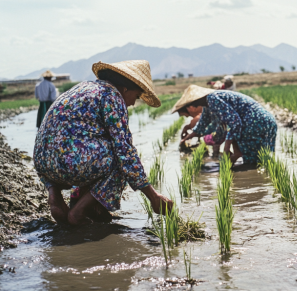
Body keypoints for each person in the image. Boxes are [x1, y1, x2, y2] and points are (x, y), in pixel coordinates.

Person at [34, 60, 171, 226]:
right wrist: (153, 196)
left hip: (43, 161)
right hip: (70, 164)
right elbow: (125, 152)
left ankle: (55, 197)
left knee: (93, 147)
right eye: (135, 96)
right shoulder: (112, 96)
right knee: (121, 159)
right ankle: (79, 212)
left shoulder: (82, 87)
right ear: (125, 88)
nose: (133, 103)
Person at [174, 85, 277, 163]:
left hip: (255, 123)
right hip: (266, 121)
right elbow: (202, 124)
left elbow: (234, 122)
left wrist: (227, 147)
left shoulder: (213, 99)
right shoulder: (208, 103)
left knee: (253, 163)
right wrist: (187, 138)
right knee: (263, 161)